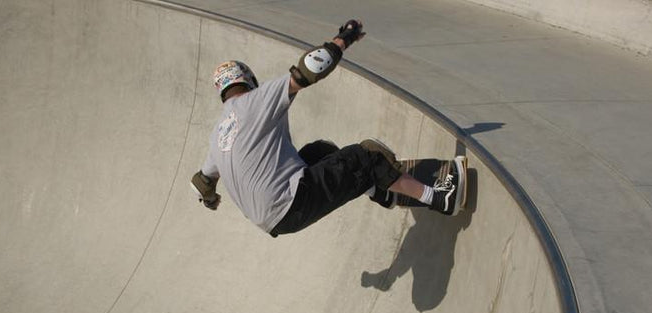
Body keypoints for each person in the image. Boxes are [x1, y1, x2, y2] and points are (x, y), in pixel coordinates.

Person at [191, 20, 465, 237]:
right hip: (292, 203)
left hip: (272, 221)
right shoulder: (255, 101)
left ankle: (379, 191)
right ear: (250, 80)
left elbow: (202, 182)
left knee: (319, 152)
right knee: (368, 156)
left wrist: (211, 199)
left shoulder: (218, 132)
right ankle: (439, 198)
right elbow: (310, 69)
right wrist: (344, 38)